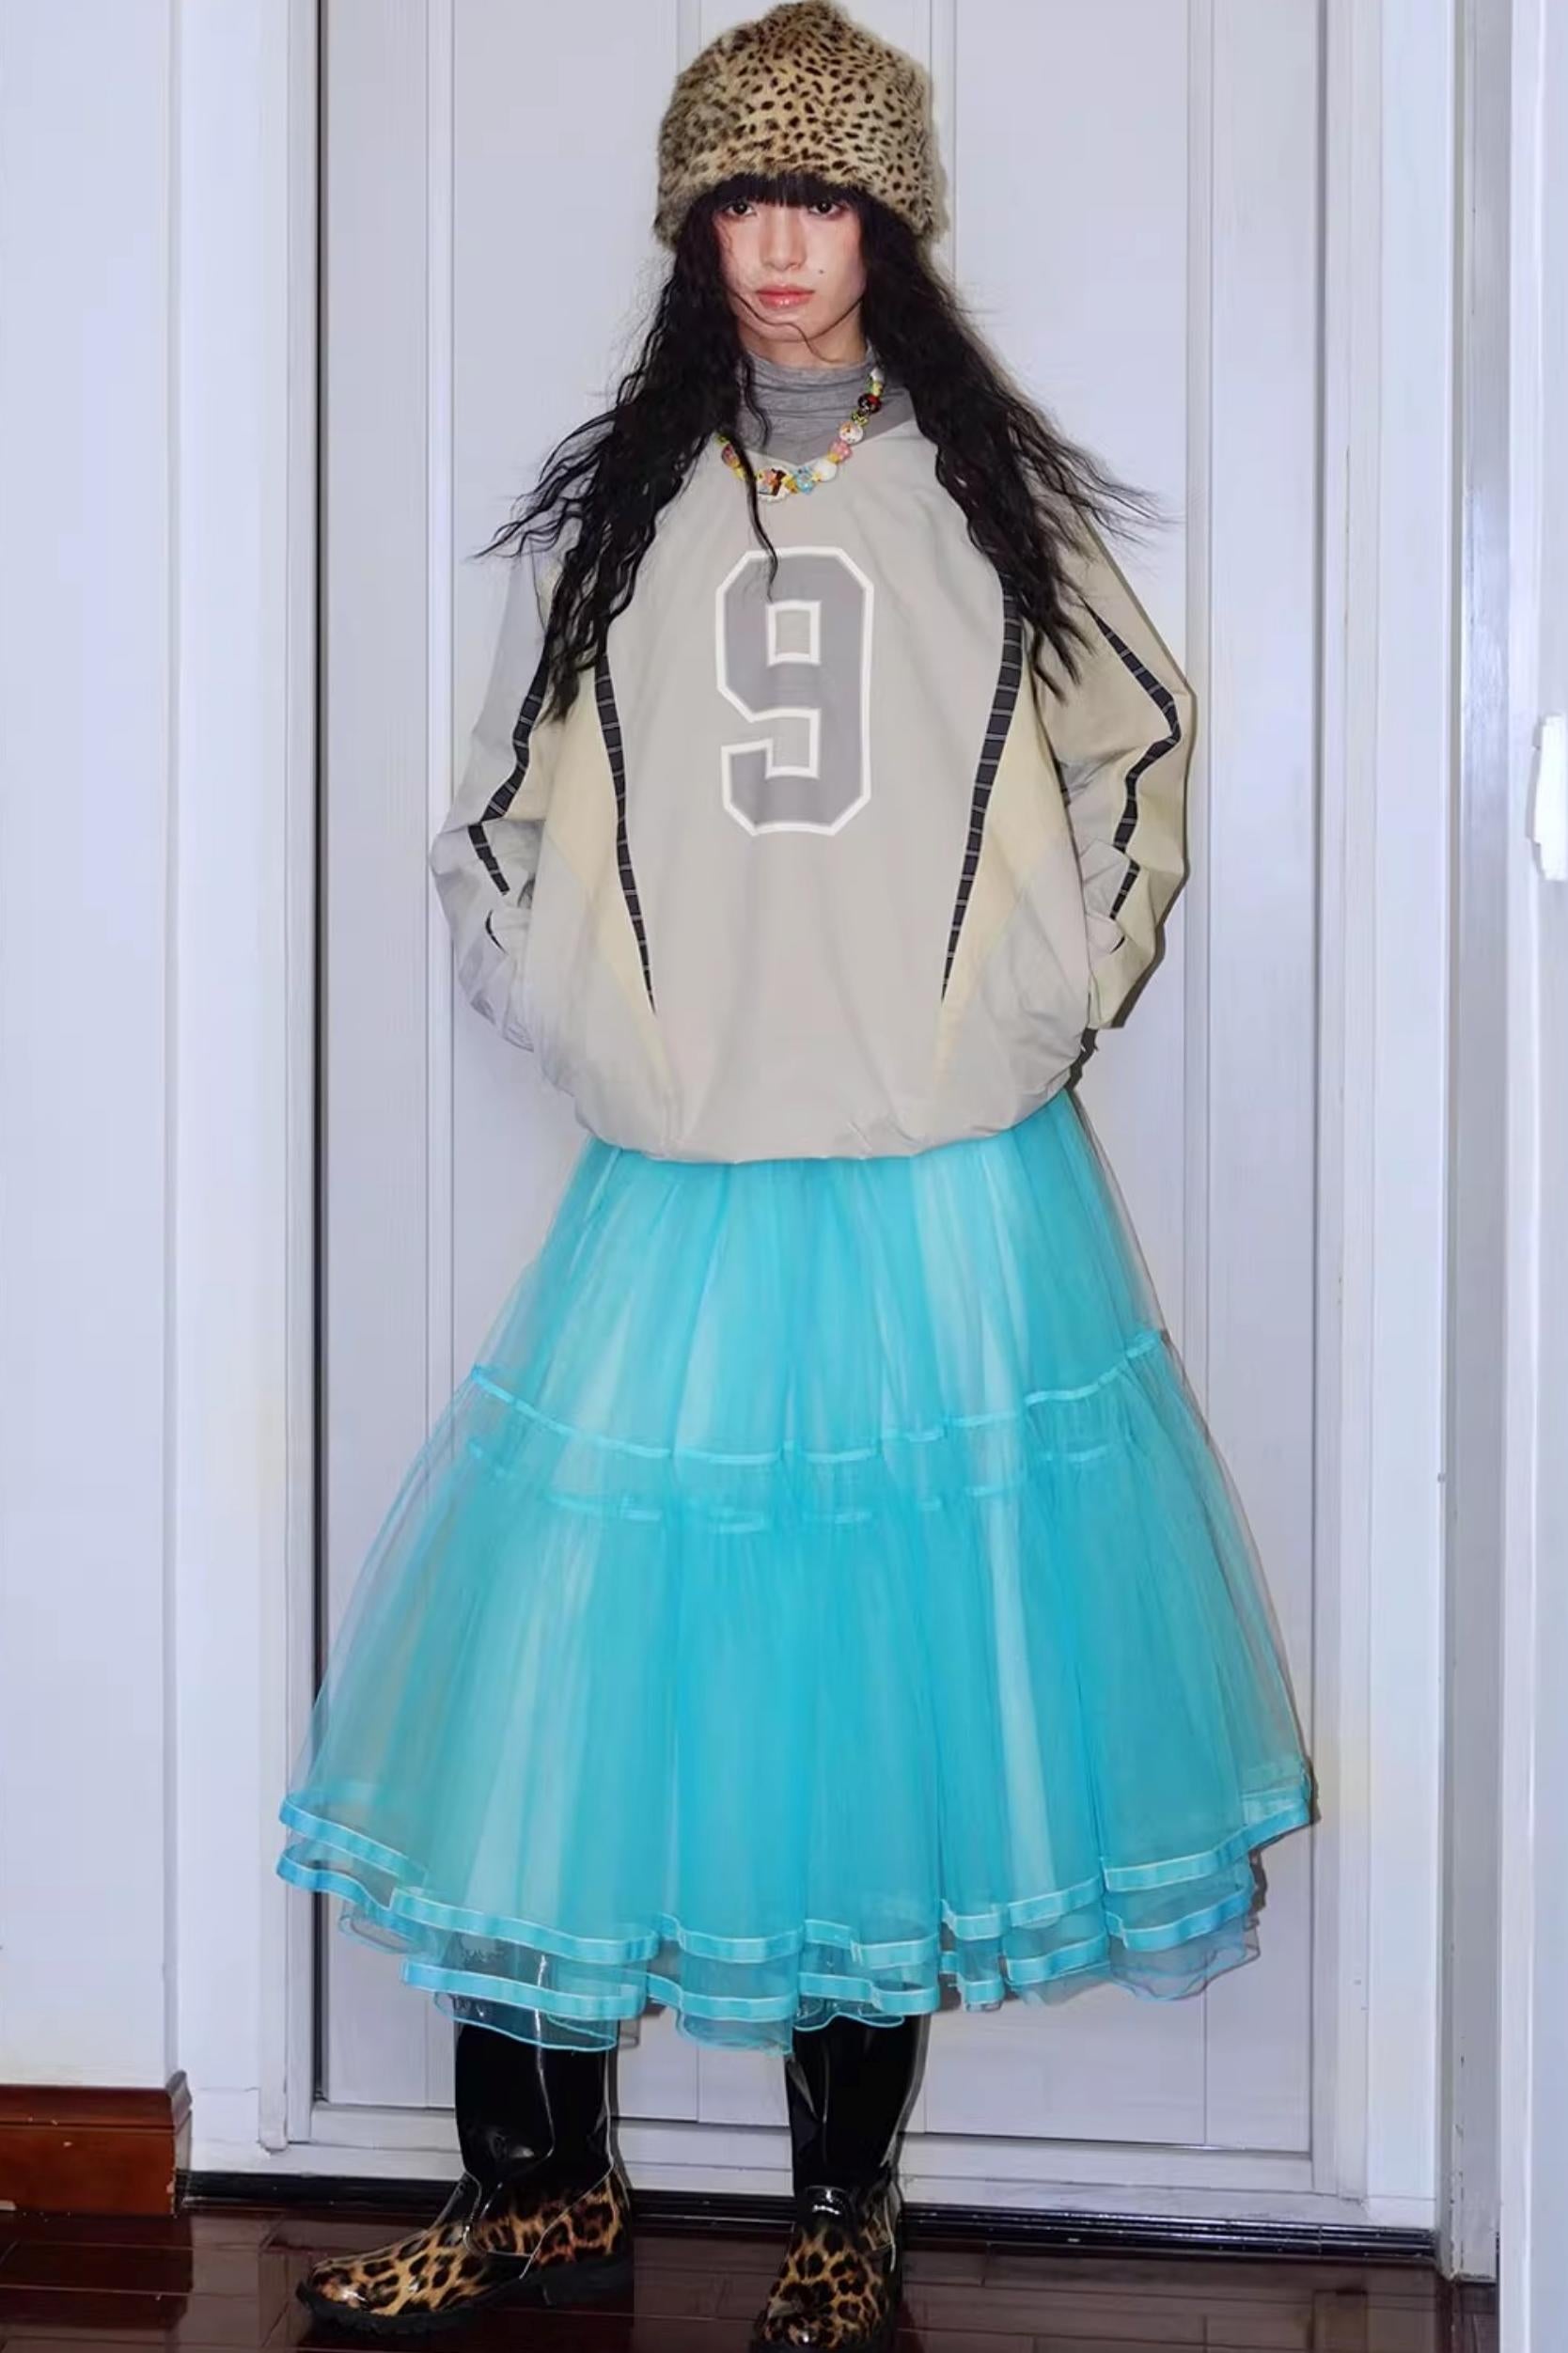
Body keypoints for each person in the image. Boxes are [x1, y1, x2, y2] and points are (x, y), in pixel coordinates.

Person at [278, 2, 1317, 2343]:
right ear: (693, 226)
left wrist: (1048, 995)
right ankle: (539, 2183)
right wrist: (588, 1019)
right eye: (742, 196)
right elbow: (488, 809)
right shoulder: (618, 515)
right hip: (685, 1187)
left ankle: (844, 2212)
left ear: (886, 225)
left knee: (876, 1690)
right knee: (563, 1663)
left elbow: (1141, 751)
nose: (779, 242)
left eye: (822, 196)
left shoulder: (986, 502)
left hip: (945, 1188)